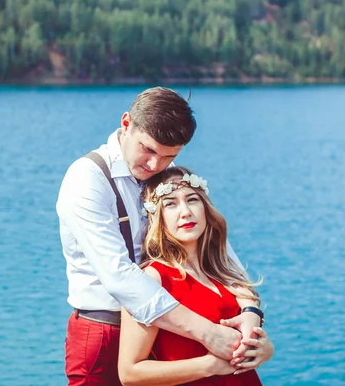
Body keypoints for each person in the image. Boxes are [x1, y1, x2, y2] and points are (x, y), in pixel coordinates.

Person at [57, 87, 273, 385]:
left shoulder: (164, 173)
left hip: (170, 334)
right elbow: (119, 276)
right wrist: (208, 333)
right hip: (105, 330)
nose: (155, 165)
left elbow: (219, 256)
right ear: (126, 123)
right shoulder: (87, 179)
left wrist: (250, 312)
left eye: (169, 155)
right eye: (148, 149)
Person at [118, 166, 270, 385]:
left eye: (192, 200)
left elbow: (251, 338)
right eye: (170, 203)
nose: (185, 212)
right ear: (156, 216)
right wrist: (208, 366)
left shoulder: (223, 273)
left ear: (205, 208)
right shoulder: (151, 280)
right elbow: (130, 373)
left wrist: (264, 350)